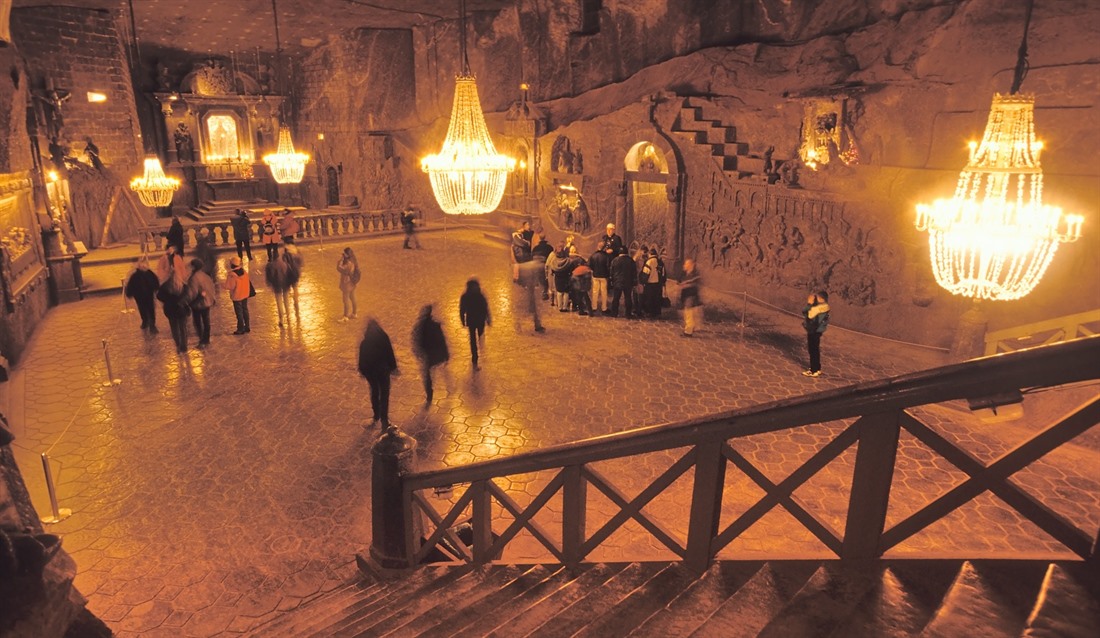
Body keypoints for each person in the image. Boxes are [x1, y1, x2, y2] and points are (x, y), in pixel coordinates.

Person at [358, 319, 399, 428]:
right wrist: (393, 367)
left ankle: (376, 415)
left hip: (371, 373)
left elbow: (362, 359)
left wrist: (362, 371)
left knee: (374, 392)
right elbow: (389, 353)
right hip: (383, 371)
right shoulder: (384, 338)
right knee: (384, 394)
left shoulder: (365, 343)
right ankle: (384, 419)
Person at [412, 305, 450, 407]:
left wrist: (418, 352)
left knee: (427, 374)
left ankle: (429, 392)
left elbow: (416, 339)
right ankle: (449, 386)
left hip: (427, 354)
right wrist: (446, 354)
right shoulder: (435, 325)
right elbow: (442, 340)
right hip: (435, 353)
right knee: (441, 370)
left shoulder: (420, 326)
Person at [155, 263, 190, 353]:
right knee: (183, 328)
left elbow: (159, 296)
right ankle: (184, 346)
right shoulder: (183, 285)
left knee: (174, 328)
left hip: (170, 310)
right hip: (181, 309)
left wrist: (167, 300)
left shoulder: (165, 286)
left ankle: (178, 345)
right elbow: (188, 296)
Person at [459, 278, 491, 371]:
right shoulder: (480, 295)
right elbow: (485, 307)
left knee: (474, 339)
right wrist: (488, 318)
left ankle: (475, 357)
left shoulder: (466, 296)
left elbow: (462, 309)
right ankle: (476, 356)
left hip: (473, 320)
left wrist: (463, 320)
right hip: (478, 320)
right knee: (477, 338)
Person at [125, 256, 160, 334]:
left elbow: (155, 281)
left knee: (150, 309)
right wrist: (129, 293)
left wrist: (156, 289)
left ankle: (152, 324)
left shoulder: (149, 273)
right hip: (139, 296)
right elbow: (131, 285)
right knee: (142, 309)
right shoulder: (134, 275)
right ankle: (145, 321)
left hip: (149, 294)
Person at [186, 258, 216, 346]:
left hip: (198, 303)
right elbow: (211, 288)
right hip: (207, 302)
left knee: (197, 321)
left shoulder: (193, 278)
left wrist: (187, 301)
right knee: (206, 320)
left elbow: (193, 292)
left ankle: (202, 339)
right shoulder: (205, 276)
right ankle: (206, 339)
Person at [802, 291, 831, 377]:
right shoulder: (826, 307)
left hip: (813, 330)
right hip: (819, 331)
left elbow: (807, 313)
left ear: (821, 299)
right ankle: (817, 368)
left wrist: (809, 303)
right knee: (816, 350)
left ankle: (813, 370)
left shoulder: (817, 308)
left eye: (817, 298)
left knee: (812, 350)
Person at [265, 247, 294, 327]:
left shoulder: (270, 266)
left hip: (276, 285)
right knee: (286, 301)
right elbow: (290, 274)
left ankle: (281, 319)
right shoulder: (285, 264)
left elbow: (269, 277)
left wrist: (270, 284)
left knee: (279, 302)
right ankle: (288, 316)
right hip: (285, 284)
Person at [225, 256, 251, 335]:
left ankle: (240, 329)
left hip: (237, 296)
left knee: (239, 312)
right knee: (245, 310)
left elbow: (229, 286)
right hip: (244, 294)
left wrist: (221, 284)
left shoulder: (232, 275)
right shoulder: (244, 272)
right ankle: (247, 326)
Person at [609, 248, 636, 319]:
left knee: (616, 298)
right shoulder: (631, 260)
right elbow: (634, 272)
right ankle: (628, 314)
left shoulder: (615, 260)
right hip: (628, 282)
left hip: (617, 282)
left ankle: (614, 313)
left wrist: (612, 280)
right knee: (628, 297)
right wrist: (634, 282)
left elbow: (611, 271)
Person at [679, 258, 702, 336]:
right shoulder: (685, 273)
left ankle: (688, 331)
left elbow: (694, 284)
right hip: (686, 296)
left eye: (686, 264)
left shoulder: (694, 275)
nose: (684, 265)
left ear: (690, 265)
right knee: (689, 313)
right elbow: (679, 282)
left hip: (690, 296)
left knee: (689, 314)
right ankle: (694, 327)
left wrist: (685, 284)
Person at [337, 247, 360, 322]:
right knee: (353, 298)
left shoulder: (348, 264)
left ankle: (345, 317)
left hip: (347, 283)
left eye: (344, 253)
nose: (343, 254)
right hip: (352, 283)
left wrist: (341, 260)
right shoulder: (353, 260)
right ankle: (354, 313)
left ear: (347, 255)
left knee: (345, 299)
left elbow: (339, 268)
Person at [588, 240, 611, 314]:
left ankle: (594, 307)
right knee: (604, 292)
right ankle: (604, 308)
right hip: (604, 276)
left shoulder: (593, 255)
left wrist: (594, 270)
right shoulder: (606, 256)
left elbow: (590, 265)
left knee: (595, 291)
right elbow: (608, 267)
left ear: (598, 247)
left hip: (595, 275)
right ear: (604, 248)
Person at [641, 248, 664, 318]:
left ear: (650, 254)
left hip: (650, 283)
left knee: (649, 298)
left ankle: (649, 313)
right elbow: (663, 273)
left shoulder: (649, 262)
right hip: (658, 284)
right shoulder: (660, 262)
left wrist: (643, 281)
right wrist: (662, 282)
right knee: (657, 298)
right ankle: (657, 312)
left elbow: (646, 272)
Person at [531, 234, 554, 300]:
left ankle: (537, 285)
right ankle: (544, 292)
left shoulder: (535, 248)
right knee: (545, 278)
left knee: (540, 277)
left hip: (536, 265)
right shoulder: (549, 247)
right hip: (545, 265)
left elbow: (532, 256)